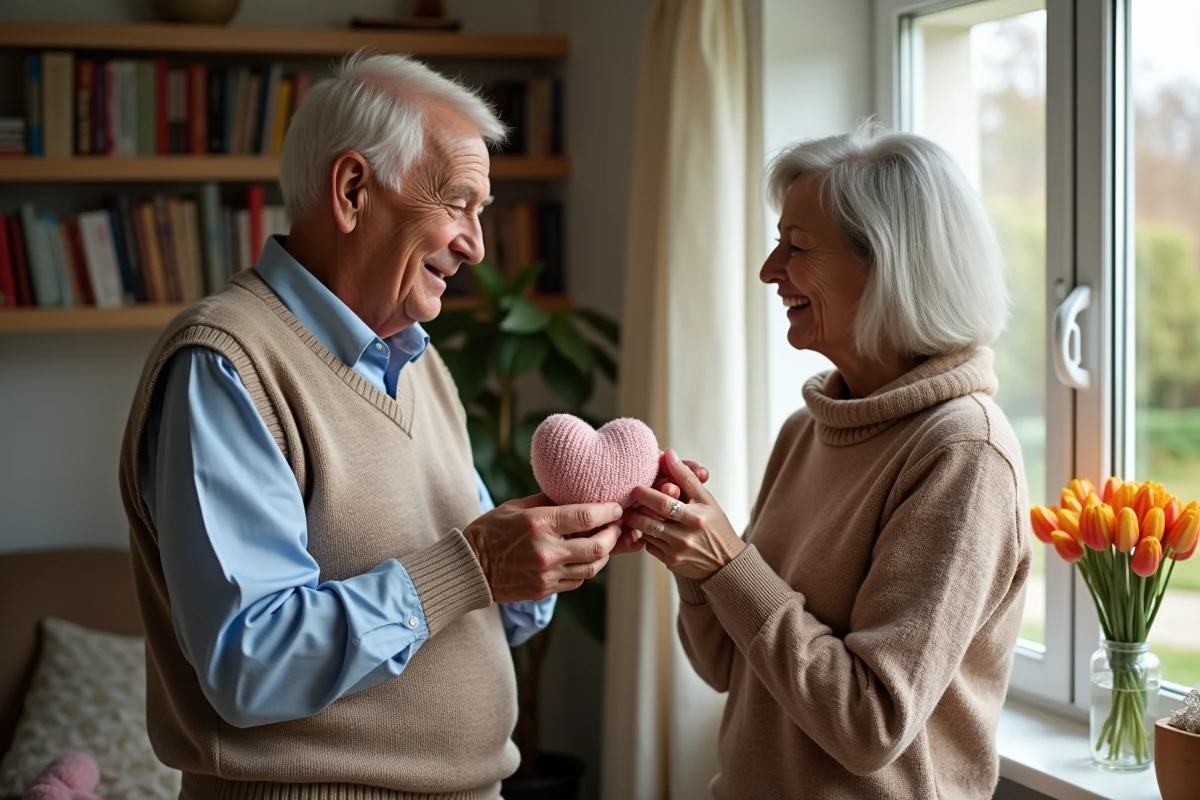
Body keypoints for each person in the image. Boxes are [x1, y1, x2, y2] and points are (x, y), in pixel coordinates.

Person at [117, 53, 631, 800]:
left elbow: (471, 601)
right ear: (353, 190)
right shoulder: (225, 364)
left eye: (481, 212)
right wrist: (476, 566)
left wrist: (556, 547)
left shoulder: (421, 364)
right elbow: (250, 664)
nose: (476, 245)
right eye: (457, 204)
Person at [624, 124, 1033, 799]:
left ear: (887, 265)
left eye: (797, 245)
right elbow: (724, 666)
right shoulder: (807, 432)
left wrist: (728, 565)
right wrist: (695, 565)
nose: (769, 269)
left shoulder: (963, 454)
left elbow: (869, 726)